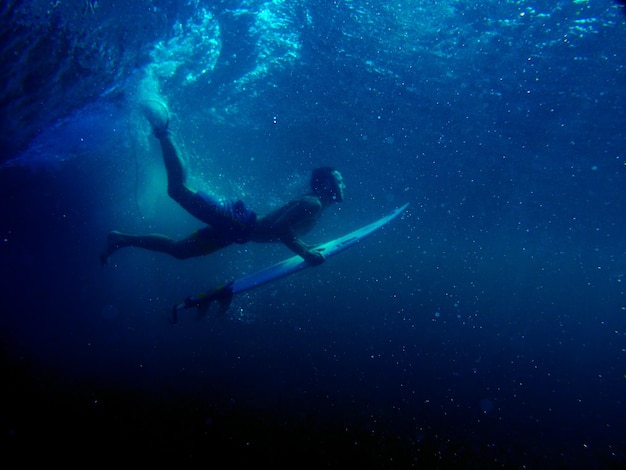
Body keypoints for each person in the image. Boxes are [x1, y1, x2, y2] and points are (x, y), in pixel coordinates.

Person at [100, 101, 345, 267]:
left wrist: (306, 247)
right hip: (236, 220)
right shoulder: (312, 203)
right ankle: (163, 128)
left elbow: (284, 230)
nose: (343, 184)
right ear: (324, 183)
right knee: (178, 190)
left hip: (236, 231)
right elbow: (281, 231)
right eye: (338, 179)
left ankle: (121, 238)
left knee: (179, 251)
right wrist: (305, 254)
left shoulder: (316, 208)